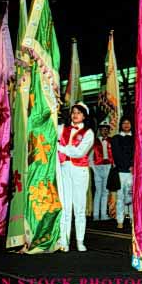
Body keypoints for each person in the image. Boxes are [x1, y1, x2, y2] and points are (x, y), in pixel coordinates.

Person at [57, 102, 94, 252]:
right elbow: (49, 131)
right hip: (64, 168)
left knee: (79, 208)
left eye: (78, 112)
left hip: (80, 171)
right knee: (65, 207)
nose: (75, 115)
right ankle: (64, 240)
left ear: (84, 116)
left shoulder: (88, 133)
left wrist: (59, 147)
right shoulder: (62, 129)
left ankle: (80, 240)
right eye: (73, 112)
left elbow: (79, 152)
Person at [111, 117, 134, 229]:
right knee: (120, 197)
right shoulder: (115, 138)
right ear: (120, 125)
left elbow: (137, 154)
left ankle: (133, 219)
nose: (126, 125)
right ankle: (120, 220)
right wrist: (126, 166)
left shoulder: (135, 138)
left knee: (132, 196)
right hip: (121, 171)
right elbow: (116, 154)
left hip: (133, 171)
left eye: (128, 123)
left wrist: (133, 166)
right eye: (124, 123)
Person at [91, 119, 113, 221]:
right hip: (98, 167)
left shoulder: (111, 141)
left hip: (108, 167)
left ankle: (103, 214)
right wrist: (93, 168)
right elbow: (90, 156)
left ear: (109, 131)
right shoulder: (94, 141)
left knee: (105, 191)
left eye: (106, 129)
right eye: (103, 129)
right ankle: (96, 215)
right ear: (99, 130)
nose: (104, 131)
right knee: (98, 191)